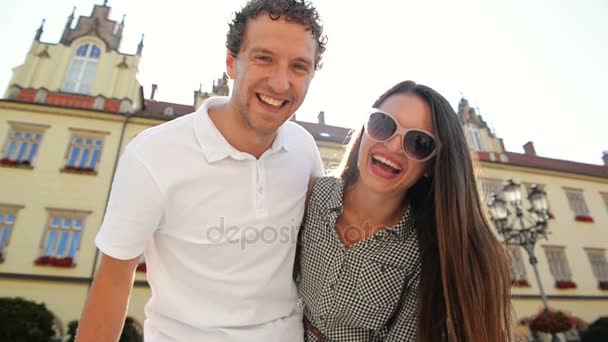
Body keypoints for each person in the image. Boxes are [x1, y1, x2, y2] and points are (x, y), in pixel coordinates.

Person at [76, 0, 327, 341]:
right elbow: (114, 278)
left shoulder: (303, 149)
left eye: (299, 66)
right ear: (231, 62)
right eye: (264, 58)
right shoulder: (153, 155)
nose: (281, 83)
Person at [296, 80, 513, 341]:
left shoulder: (425, 253)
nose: (394, 146)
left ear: (431, 166)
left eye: (419, 143)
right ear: (365, 128)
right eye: (383, 124)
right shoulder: (311, 195)